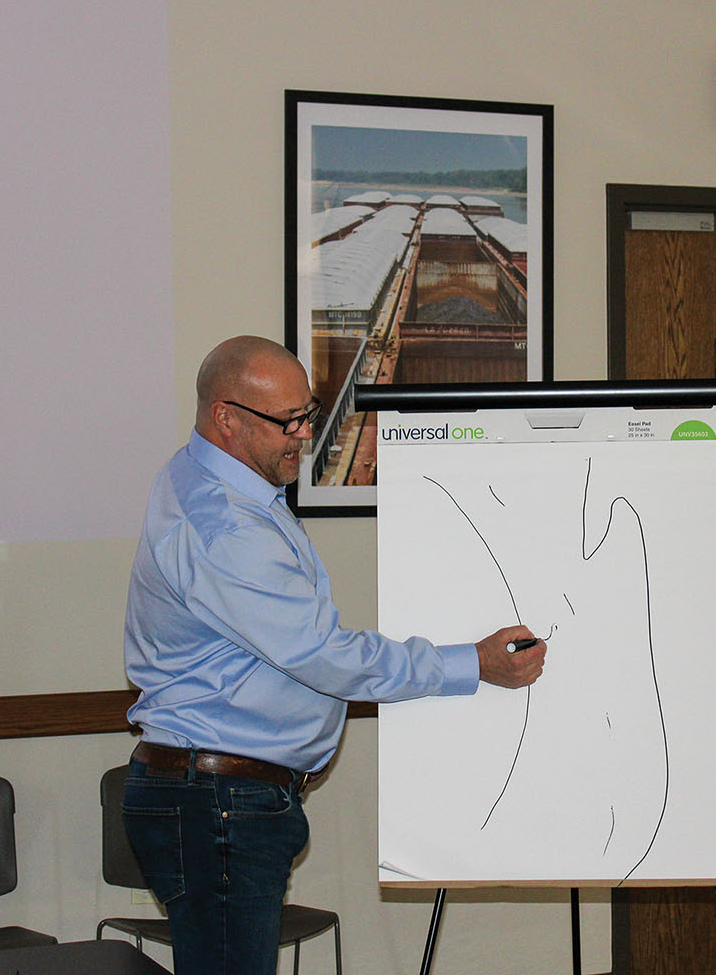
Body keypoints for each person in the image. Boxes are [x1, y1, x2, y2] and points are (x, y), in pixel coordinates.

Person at [121, 335, 546, 975]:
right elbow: (323, 655)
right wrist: (472, 663)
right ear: (225, 418)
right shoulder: (227, 526)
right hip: (218, 806)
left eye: (307, 414)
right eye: (283, 422)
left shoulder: (197, 473)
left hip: (214, 796)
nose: (301, 436)